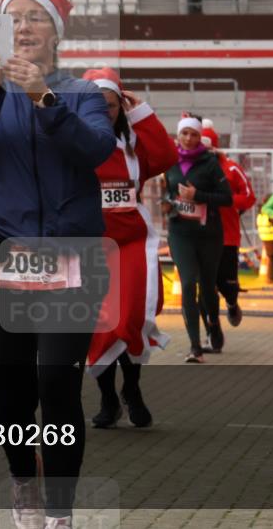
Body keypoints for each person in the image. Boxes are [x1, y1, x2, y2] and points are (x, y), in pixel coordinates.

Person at [0, 0, 116, 529]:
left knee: (57, 384)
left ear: (56, 33)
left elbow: (96, 149)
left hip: (69, 253)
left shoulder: (82, 92)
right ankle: (23, 481)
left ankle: (60, 510)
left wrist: (44, 98)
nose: (23, 27)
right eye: (12, 18)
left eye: (35, 17)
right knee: (11, 389)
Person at [83, 67, 176, 429]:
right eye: (97, 104)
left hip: (133, 243)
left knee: (130, 320)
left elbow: (166, 157)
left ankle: (132, 389)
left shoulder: (134, 143)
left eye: (111, 105)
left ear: (120, 106)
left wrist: (142, 114)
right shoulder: (74, 141)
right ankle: (108, 398)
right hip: (90, 245)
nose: (104, 112)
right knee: (98, 326)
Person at [161, 117, 232, 363]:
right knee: (189, 283)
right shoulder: (169, 161)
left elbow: (227, 198)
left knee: (207, 287)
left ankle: (213, 323)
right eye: (185, 134)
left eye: (193, 134)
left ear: (200, 137)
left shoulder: (209, 163)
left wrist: (197, 195)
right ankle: (195, 347)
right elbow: (168, 191)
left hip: (208, 233)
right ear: (178, 135)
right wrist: (166, 203)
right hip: (180, 232)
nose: (189, 139)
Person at [201, 129, 256, 333]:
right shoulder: (192, 169)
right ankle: (212, 331)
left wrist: (226, 201)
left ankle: (232, 303)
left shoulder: (231, 168)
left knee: (228, 284)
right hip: (201, 236)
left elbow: (249, 197)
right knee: (206, 286)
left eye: (207, 148)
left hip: (227, 237)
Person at [256, 197, 273, 284]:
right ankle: (270, 278)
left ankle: (271, 277)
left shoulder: (260, 214)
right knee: (271, 257)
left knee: (271, 257)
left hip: (265, 237)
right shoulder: (268, 214)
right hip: (271, 237)